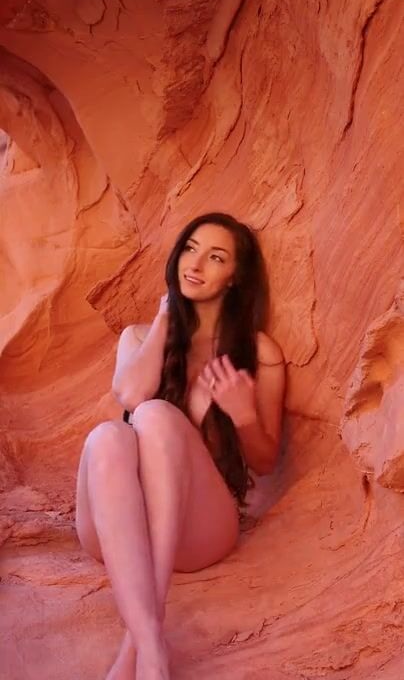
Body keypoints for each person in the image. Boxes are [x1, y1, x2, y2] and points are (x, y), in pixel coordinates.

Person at [75, 212, 285, 680]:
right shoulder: (138, 336)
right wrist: (165, 316)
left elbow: (267, 461)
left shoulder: (258, 352)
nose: (196, 264)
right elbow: (130, 395)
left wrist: (243, 414)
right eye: (190, 248)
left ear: (235, 278)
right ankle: (153, 648)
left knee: (154, 417)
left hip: (197, 531)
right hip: (117, 528)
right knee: (108, 435)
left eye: (216, 257)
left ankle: (140, 644)